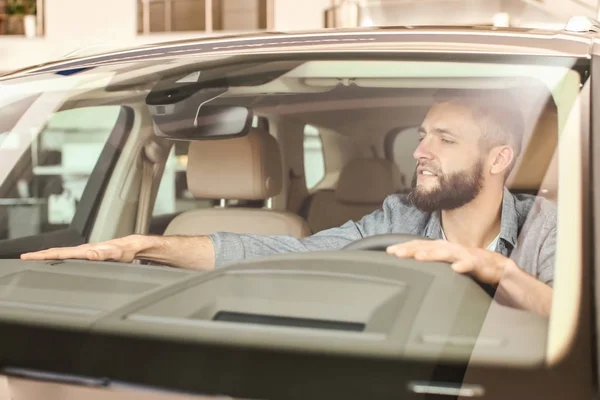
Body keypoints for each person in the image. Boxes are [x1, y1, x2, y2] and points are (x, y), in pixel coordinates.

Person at [21, 90, 556, 317]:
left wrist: (497, 269)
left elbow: (575, 322)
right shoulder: (399, 218)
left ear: (498, 158)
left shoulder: (546, 225)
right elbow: (287, 252)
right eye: (421, 135)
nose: (420, 151)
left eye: (445, 138)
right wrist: (147, 246)